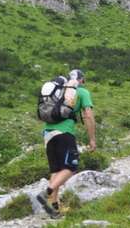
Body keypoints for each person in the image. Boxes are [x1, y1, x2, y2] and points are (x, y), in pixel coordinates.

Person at [36, 69, 95, 219]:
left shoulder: (60, 91)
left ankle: (54, 208)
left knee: (56, 170)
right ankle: (46, 193)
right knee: (70, 167)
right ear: (80, 80)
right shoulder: (81, 92)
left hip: (48, 133)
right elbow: (88, 115)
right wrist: (92, 139)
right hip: (65, 133)